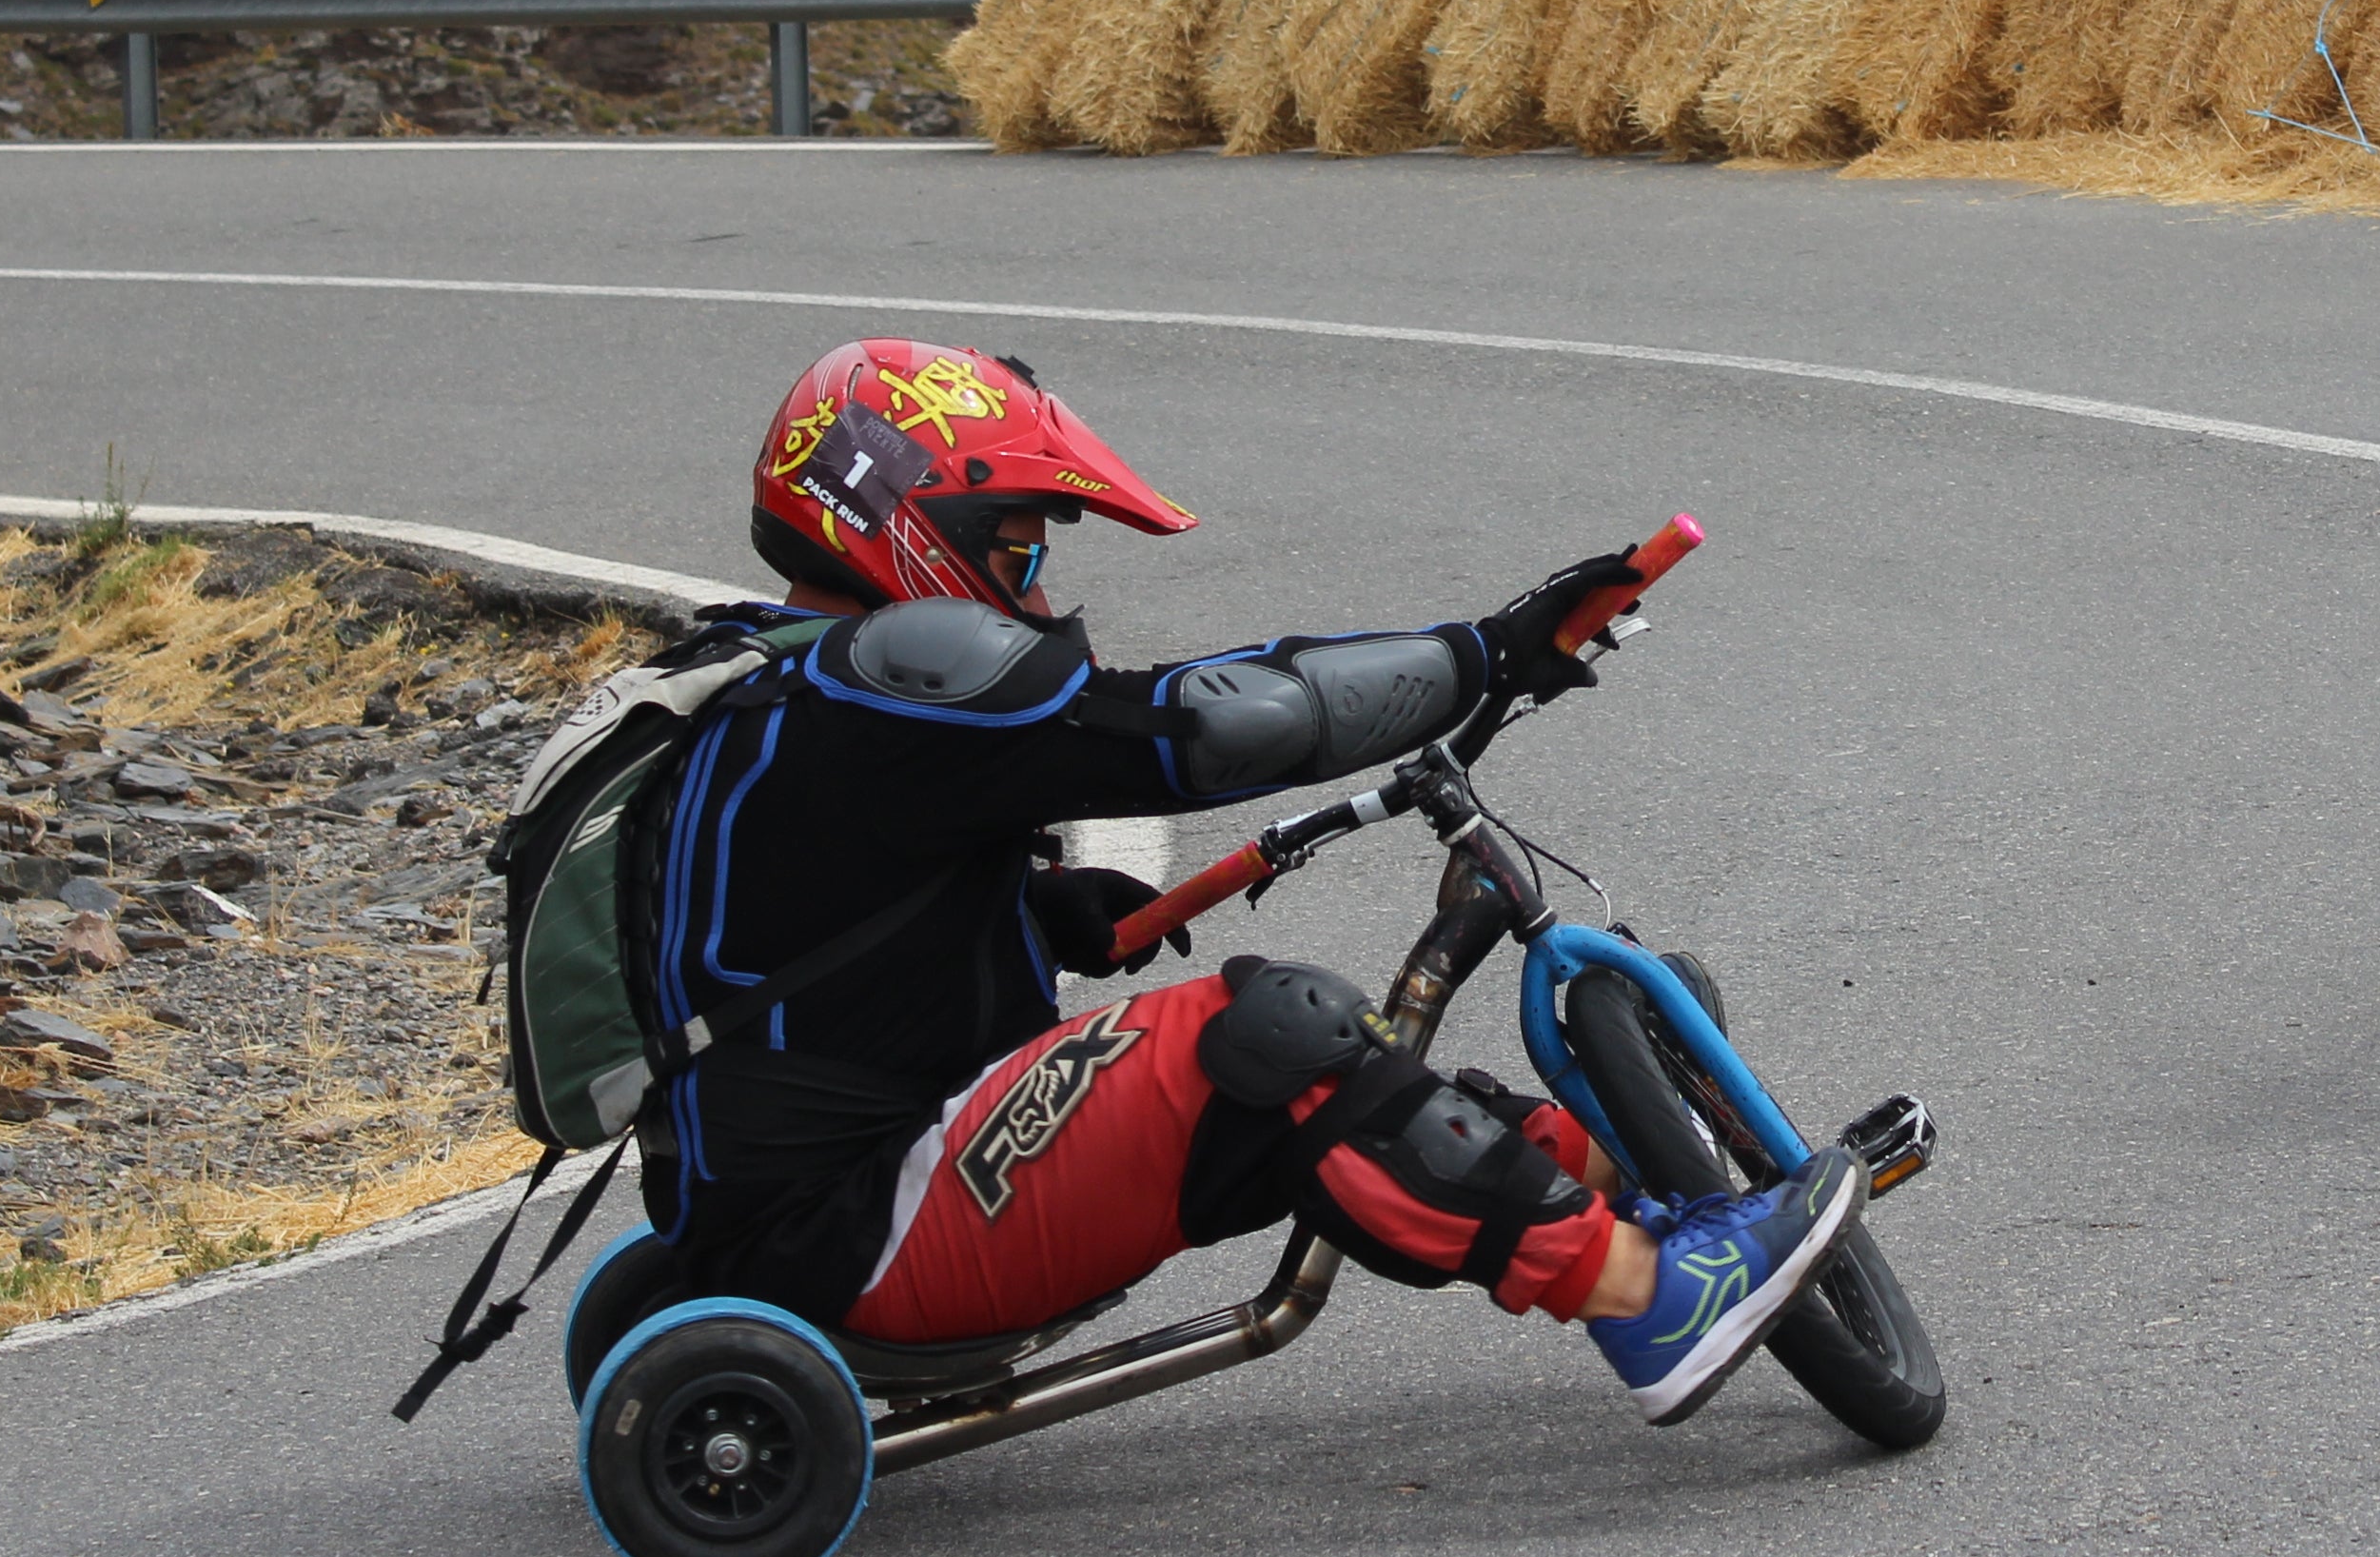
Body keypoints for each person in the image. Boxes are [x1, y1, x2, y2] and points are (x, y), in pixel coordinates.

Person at [625, 336, 1852, 1426]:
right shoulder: (879, 691)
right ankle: (1650, 1300)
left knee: (1359, 1083)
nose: (1039, 589)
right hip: (855, 1242)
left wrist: (1025, 918)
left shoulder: (766, 697)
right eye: (1017, 545)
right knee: (1279, 1040)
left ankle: (1641, 1205)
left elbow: (795, 930)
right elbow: (1213, 728)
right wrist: (1488, 652)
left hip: (779, 1215)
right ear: (901, 516)